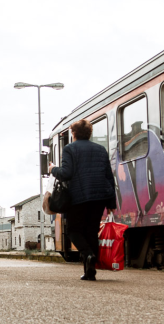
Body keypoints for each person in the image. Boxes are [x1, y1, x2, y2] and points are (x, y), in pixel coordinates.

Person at [50, 119, 117, 281]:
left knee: (74, 230)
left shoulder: (69, 149)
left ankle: (88, 255)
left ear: (73, 134)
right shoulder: (101, 149)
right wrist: (111, 203)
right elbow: (109, 176)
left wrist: (53, 169)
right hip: (100, 197)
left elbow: (66, 173)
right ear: (89, 134)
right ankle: (90, 272)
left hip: (79, 197)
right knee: (91, 232)